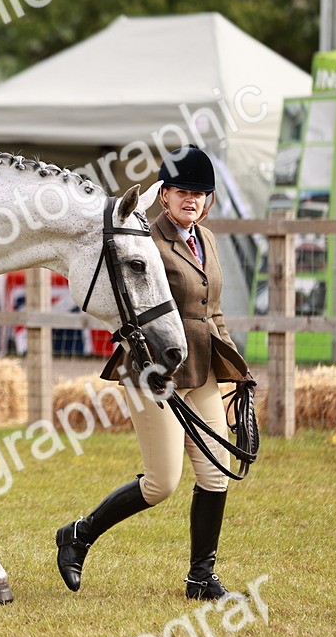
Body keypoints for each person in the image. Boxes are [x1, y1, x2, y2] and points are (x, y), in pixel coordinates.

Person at [56, 144, 253, 601]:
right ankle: (79, 534)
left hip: (201, 368)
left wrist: (236, 367)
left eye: (200, 193)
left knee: (215, 473)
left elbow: (213, 311)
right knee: (163, 482)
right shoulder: (143, 237)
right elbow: (128, 304)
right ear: (163, 195)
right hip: (152, 371)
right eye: (183, 191)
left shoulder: (208, 240)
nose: (191, 200)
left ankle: (201, 578)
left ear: (209, 200)